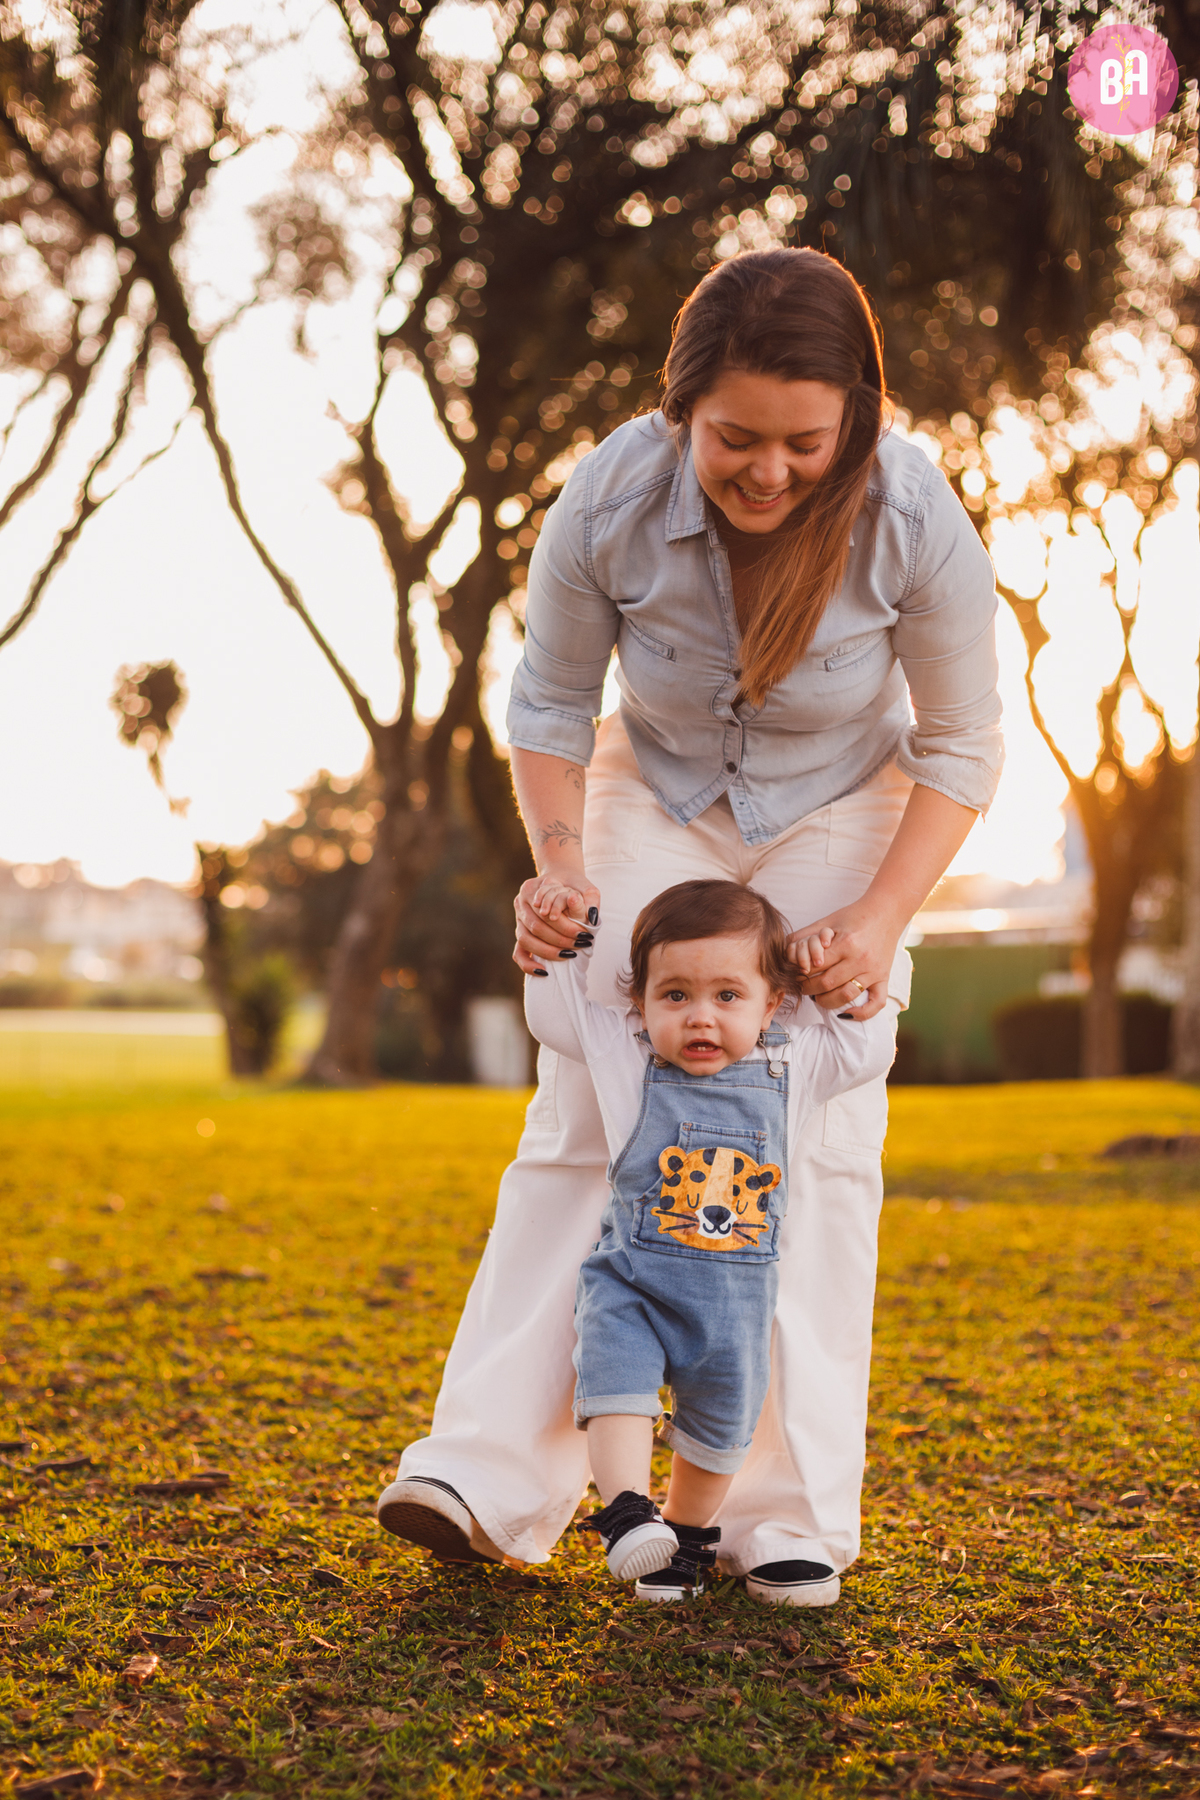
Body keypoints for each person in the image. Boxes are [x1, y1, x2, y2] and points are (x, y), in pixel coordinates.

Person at [378, 245, 1003, 1607]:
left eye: (802, 442)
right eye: (733, 438)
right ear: (681, 413)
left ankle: (782, 1511)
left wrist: (880, 922)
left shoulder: (912, 515)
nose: (767, 471)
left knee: (808, 1125)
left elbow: (961, 746)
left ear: (859, 424)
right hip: (652, 785)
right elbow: (547, 708)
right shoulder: (611, 492)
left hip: (846, 804)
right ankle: (486, 1471)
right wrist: (557, 872)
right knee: (598, 1090)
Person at [523, 877, 900, 1602]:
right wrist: (559, 936)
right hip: (632, 1284)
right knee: (616, 1387)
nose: (701, 1018)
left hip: (736, 1308)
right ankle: (628, 1511)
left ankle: (684, 1540)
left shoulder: (798, 1066)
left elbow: (867, 1050)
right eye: (675, 996)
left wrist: (842, 983)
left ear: (773, 1004)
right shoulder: (624, 1054)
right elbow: (554, 1012)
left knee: (719, 1431)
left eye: (728, 997)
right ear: (639, 1005)